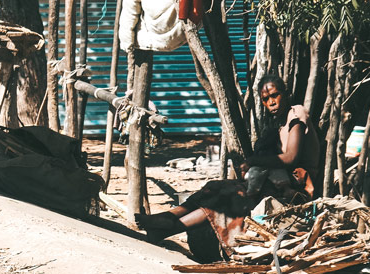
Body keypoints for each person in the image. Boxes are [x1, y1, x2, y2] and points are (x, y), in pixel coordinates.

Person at [136, 75, 320, 261]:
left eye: (275, 95)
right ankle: (169, 216)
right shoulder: (278, 124)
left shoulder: (296, 115)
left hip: (295, 191)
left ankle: (169, 228)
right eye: (266, 99)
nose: (271, 102)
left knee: (226, 198)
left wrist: (253, 161)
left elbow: (290, 158)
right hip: (275, 184)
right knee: (215, 187)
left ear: (285, 94)